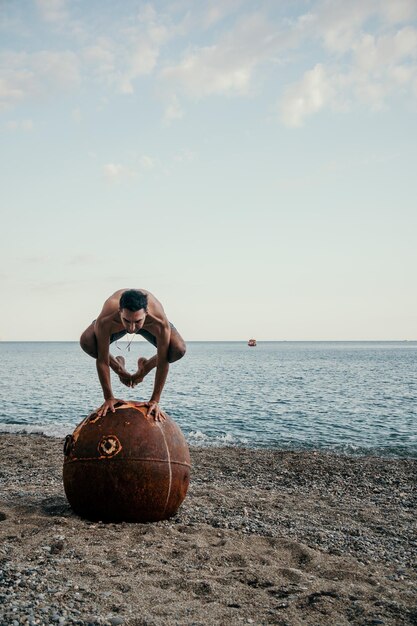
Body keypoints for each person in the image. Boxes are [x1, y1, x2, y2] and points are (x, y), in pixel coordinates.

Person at [80, 288, 186, 421]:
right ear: (120, 311)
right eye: (127, 321)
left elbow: (163, 362)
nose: (131, 328)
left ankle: (145, 366)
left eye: (137, 321)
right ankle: (119, 366)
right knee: (86, 341)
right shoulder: (107, 318)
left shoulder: (159, 321)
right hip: (115, 324)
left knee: (178, 349)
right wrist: (109, 398)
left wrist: (155, 401)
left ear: (146, 313)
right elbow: (102, 360)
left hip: (149, 326)